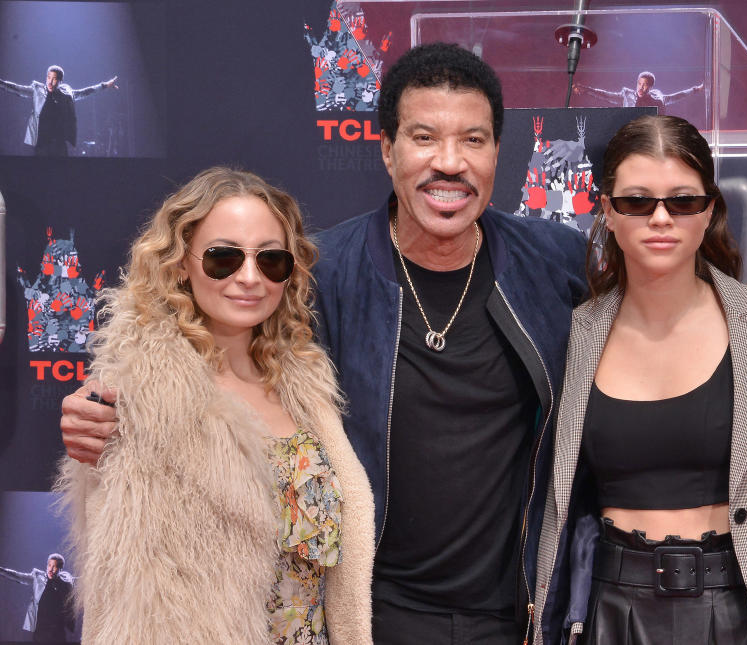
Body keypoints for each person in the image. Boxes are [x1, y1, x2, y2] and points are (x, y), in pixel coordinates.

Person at [60, 43, 588, 645]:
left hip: (513, 617)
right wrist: (107, 401)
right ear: (387, 151)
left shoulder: (556, 265)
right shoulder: (319, 274)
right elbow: (200, 341)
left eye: (473, 140)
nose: (450, 162)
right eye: (423, 137)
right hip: (366, 617)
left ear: (498, 152)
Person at [55, 167, 374, 643]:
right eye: (224, 257)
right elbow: (123, 585)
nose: (250, 278)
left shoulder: (302, 384)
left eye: (271, 261)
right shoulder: (139, 396)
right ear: (181, 262)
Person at [533, 115, 747, 645]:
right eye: (637, 201)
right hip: (606, 609)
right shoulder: (578, 331)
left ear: (708, 213)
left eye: (682, 201)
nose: (661, 219)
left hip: (737, 609)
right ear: (607, 210)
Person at [0, 65, 119, 156]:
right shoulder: (37, 90)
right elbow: (17, 88)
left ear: (60, 81)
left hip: (59, 143)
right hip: (41, 142)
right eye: (49, 78)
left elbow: (86, 91)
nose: (50, 82)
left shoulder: (66, 94)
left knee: (61, 174)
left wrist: (105, 85)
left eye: (55, 79)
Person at [0, 554, 75, 642]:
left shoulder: (66, 582)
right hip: (40, 628)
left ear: (60, 569)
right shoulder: (38, 578)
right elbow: (19, 576)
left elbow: (78, 584)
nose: (50, 569)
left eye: (54, 567)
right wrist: (2, 571)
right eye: (49, 565)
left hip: (57, 628)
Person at [574, 71, 704, 111]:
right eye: (639, 84)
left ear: (651, 87)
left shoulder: (658, 99)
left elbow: (678, 96)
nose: (641, 88)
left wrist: (695, 90)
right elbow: (604, 95)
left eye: (645, 85)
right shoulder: (627, 95)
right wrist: (585, 90)